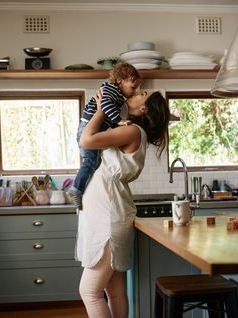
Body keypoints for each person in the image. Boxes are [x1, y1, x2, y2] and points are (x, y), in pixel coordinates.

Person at [75, 89, 170, 318]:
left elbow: (86, 140)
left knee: (89, 291)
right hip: (109, 211)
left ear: (144, 108)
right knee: (114, 292)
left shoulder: (132, 131)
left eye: (143, 93)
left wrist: (99, 111)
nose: (139, 91)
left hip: (108, 215)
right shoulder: (129, 128)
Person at [68, 63, 142, 210]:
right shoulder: (110, 90)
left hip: (91, 127)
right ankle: (75, 190)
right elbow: (105, 106)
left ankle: (78, 189)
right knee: (90, 161)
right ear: (120, 81)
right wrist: (119, 121)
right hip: (85, 128)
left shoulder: (117, 95)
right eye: (133, 88)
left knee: (94, 162)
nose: (134, 92)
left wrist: (117, 125)